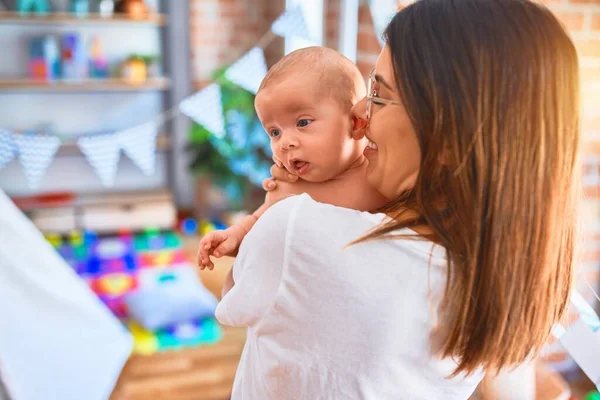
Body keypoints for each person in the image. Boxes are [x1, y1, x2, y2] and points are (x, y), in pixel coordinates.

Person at [215, 0, 581, 398]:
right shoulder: (496, 279)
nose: (358, 109)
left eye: (379, 93)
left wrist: (277, 211)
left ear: (447, 137)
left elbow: (237, 296)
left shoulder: (296, 231)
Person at [198, 46, 387, 272]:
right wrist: (236, 236)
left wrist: (292, 198)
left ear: (356, 122)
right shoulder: (288, 184)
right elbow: (259, 219)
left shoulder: (380, 173)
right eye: (274, 132)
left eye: (303, 123)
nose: (285, 142)